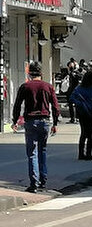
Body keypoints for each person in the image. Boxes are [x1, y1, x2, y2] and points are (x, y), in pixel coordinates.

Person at [11, 62, 60, 193]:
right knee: (42, 150)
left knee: (32, 152)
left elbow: (17, 105)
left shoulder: (25, 86)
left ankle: (34, 183)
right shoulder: (48, 87)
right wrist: (55, 123)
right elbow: (55, 106)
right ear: (41, 73)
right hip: (44, 121)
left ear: (29, 73)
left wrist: (15, 120)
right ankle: (43, 180)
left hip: (30, 121)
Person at [70, 70, 92, 161]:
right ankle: (89, 153)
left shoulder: (79, 88)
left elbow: (72, 98)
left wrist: (80, 104)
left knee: (83, 133)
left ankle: (81, 154)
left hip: (82, 113)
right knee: (91, 134)